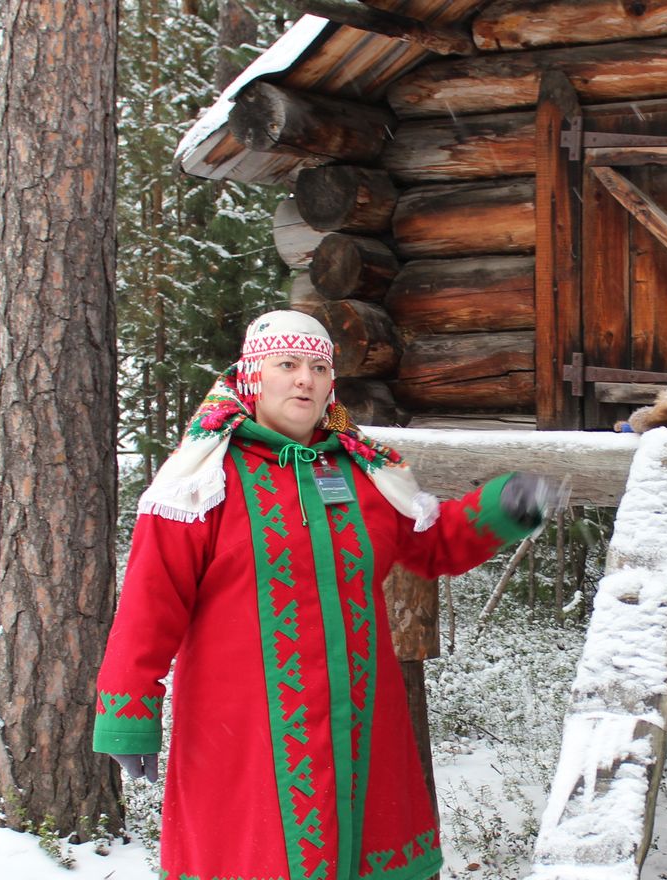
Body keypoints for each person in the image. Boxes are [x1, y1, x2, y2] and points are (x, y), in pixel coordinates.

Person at [92, 309, 550, 880]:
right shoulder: (202, 478)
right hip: (243, 733)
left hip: (359, 723)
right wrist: (129, 713)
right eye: (287, 365)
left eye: (317, 367)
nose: (304, 380)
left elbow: (433, 545)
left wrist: (503, 506)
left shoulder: (364, 474)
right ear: (254, 376)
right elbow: (150, 602)